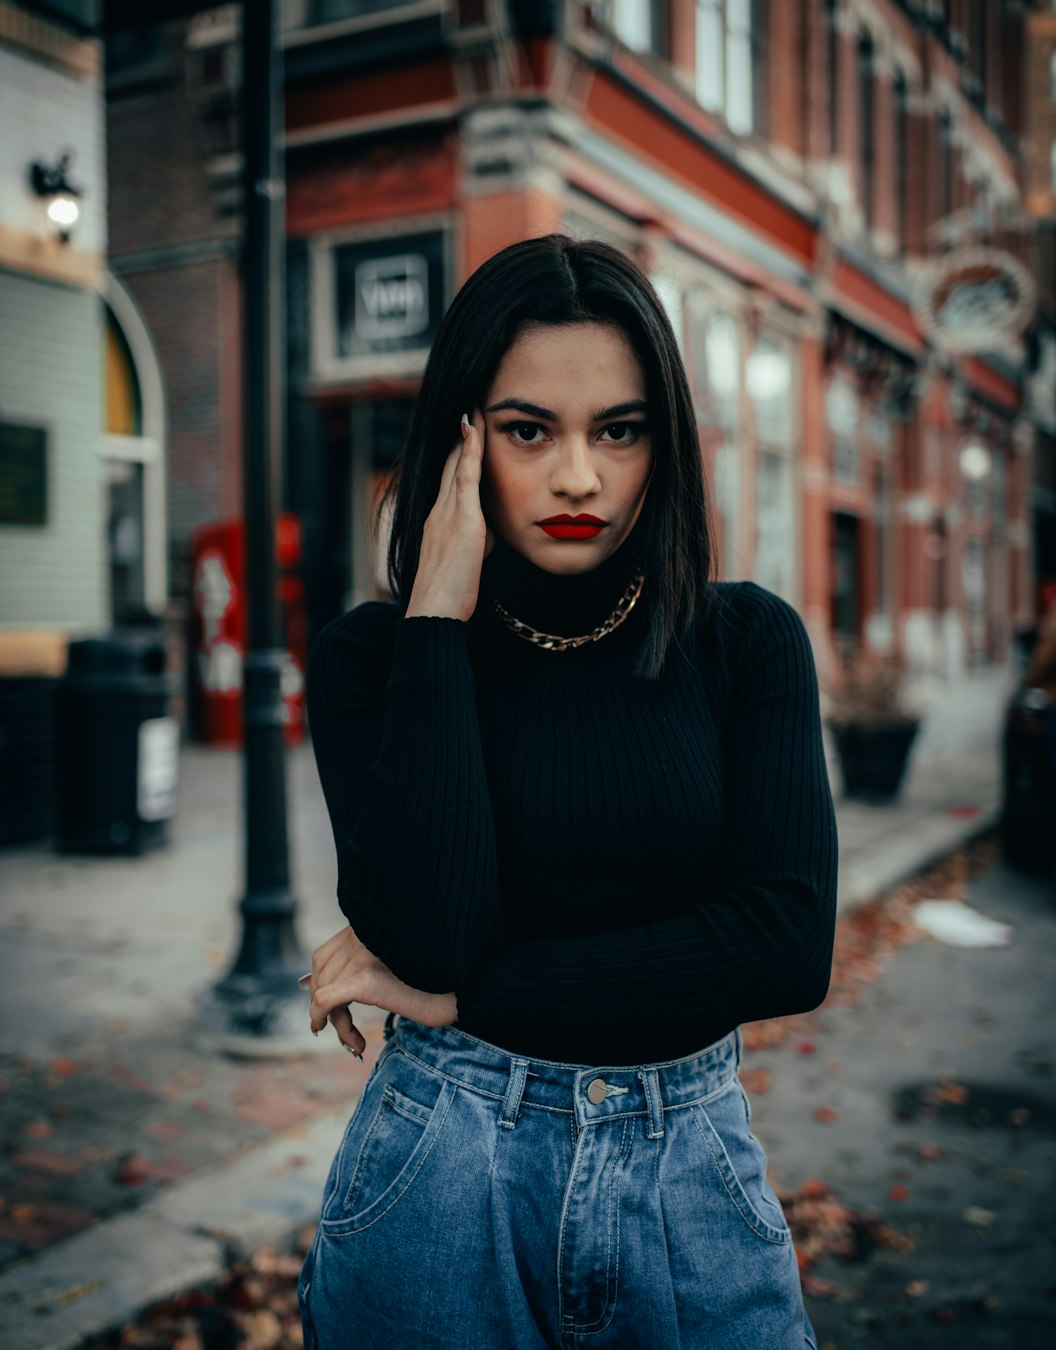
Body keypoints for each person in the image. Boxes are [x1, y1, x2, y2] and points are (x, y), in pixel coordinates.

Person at [297, 234, 837, 1349]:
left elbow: (784, 942)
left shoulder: (746, 643)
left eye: (620, 430)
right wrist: (438, 615)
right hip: (443, 1179)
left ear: (665, 445)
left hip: (686, 1179)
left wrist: (468, 1003)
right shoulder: (374, 661)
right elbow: (435, 930)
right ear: (462, 435)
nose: (579, 476)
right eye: (528, 430)